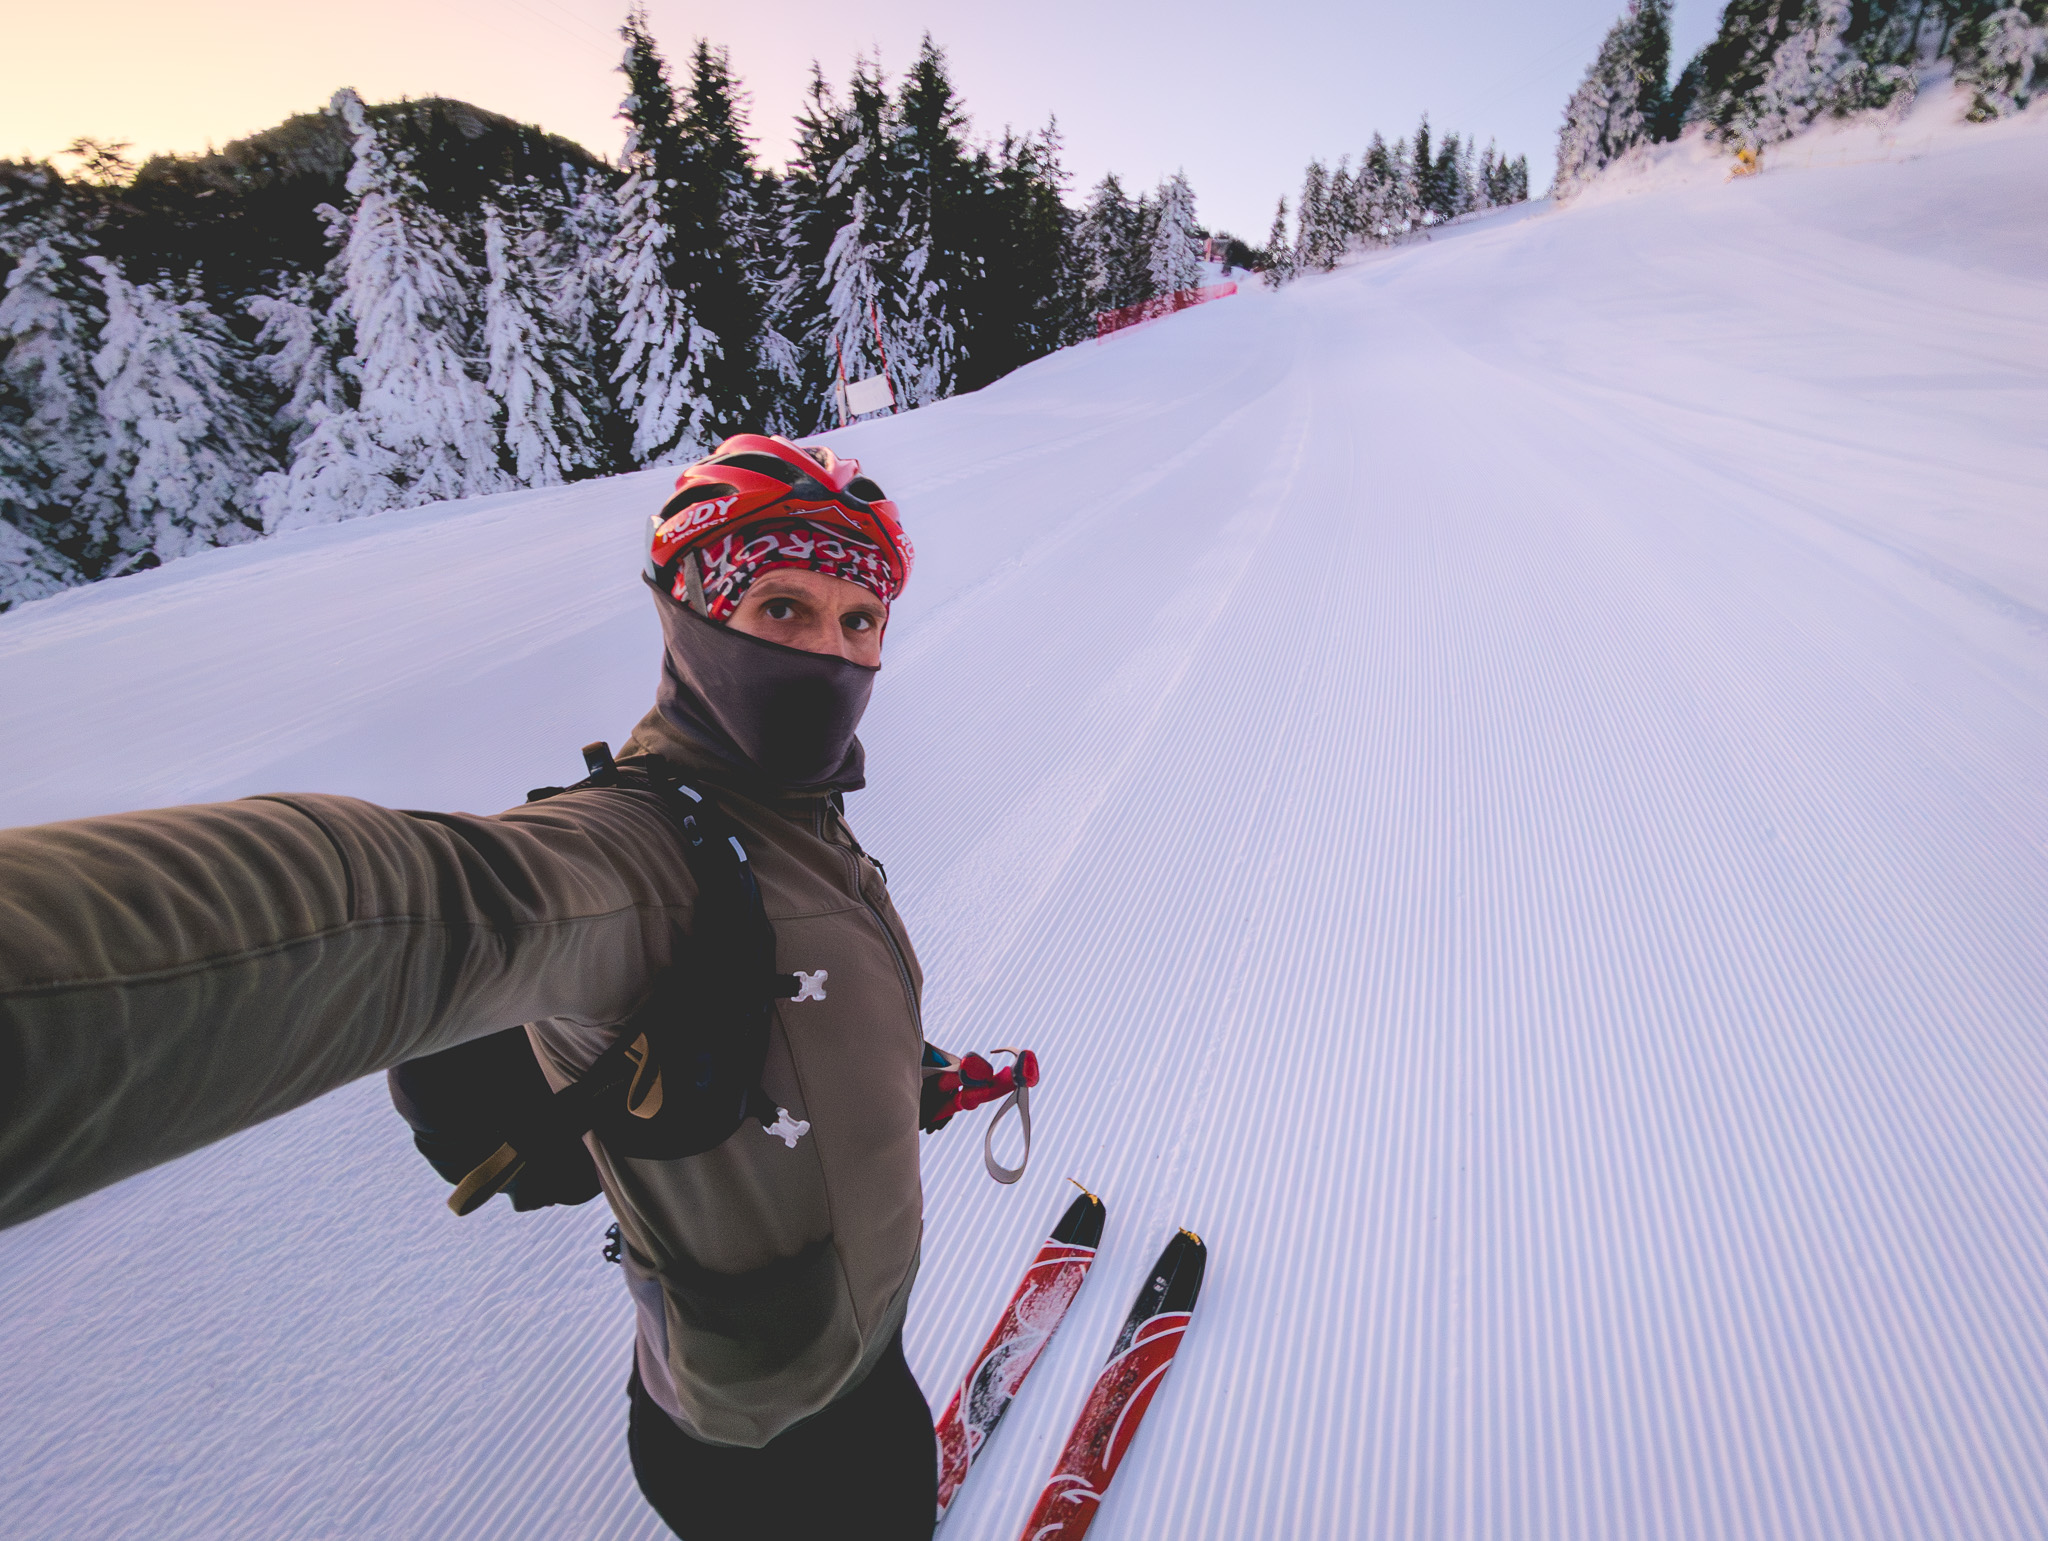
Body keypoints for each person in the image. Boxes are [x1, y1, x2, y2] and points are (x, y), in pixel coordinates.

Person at [0, 434, 961, 1539]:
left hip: (847, 1346)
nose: (831, 654)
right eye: (782, 607)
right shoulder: (630, 855)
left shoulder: (795, 816)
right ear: (692, 612)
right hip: (778, 1440)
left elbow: (798, 1008)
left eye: (859, 619)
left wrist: (898, 1072)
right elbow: (401, 908)